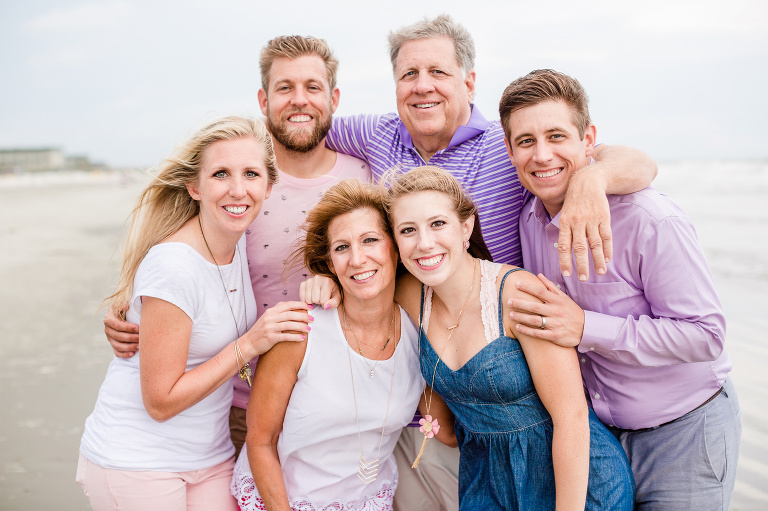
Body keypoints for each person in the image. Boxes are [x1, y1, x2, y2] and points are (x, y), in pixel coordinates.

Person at [320, 14, 655, 509]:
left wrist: (591, 181)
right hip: (477, 454)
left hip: (519, 343)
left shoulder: (507, 148)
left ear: (469, 82)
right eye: (409, 75)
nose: (422, 86)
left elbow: (637, 163)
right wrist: (323, 275)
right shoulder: (376, 133)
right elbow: (303, 127)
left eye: (438, 72)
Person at [301, 166, 635, 509]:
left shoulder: (517, 294)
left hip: (576, 483)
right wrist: (325, 283)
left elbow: (572, 418)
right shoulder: (410, 295)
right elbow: (363, 279)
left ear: (466, 226)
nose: (425, 242)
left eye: (437, 224)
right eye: (408, 230)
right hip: (486, 481)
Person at [102, 35, 371, 457]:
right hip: (240, 405)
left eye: (313, 87)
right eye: (285, 88)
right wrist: (127, 308)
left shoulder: (364, 178)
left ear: (334, 98)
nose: (299, 100)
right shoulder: (236, 187)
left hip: (342, 403)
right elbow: (178, 259)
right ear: (263, 99)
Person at [500, 69, 740, 510]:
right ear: (510, 150)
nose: (543, 154)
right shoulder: (528, 219)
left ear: (588, 139)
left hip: (684, 432)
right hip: (600, 438)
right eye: (526, 141)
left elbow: (707, 335)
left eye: (557, 136)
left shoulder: (650, 219)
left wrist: (586, 327)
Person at [77, 116, 312, 510]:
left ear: (269, 186)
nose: (238, 190)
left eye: (251, 174)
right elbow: (160, 401)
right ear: (194, 186)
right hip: (137, 459)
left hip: (209, 455)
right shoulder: (175, 266)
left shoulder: (234, 239)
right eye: (221, 174)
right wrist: (250, 344)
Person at [230, 179, 455, 510]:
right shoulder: (300, 332)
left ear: (395, 247)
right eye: (342, 247)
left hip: (369, 501)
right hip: (281, 501)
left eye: (370, 240)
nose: (358, 259)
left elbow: (446, 432)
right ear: (330, 263)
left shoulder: (418, 331)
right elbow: (260, 441)